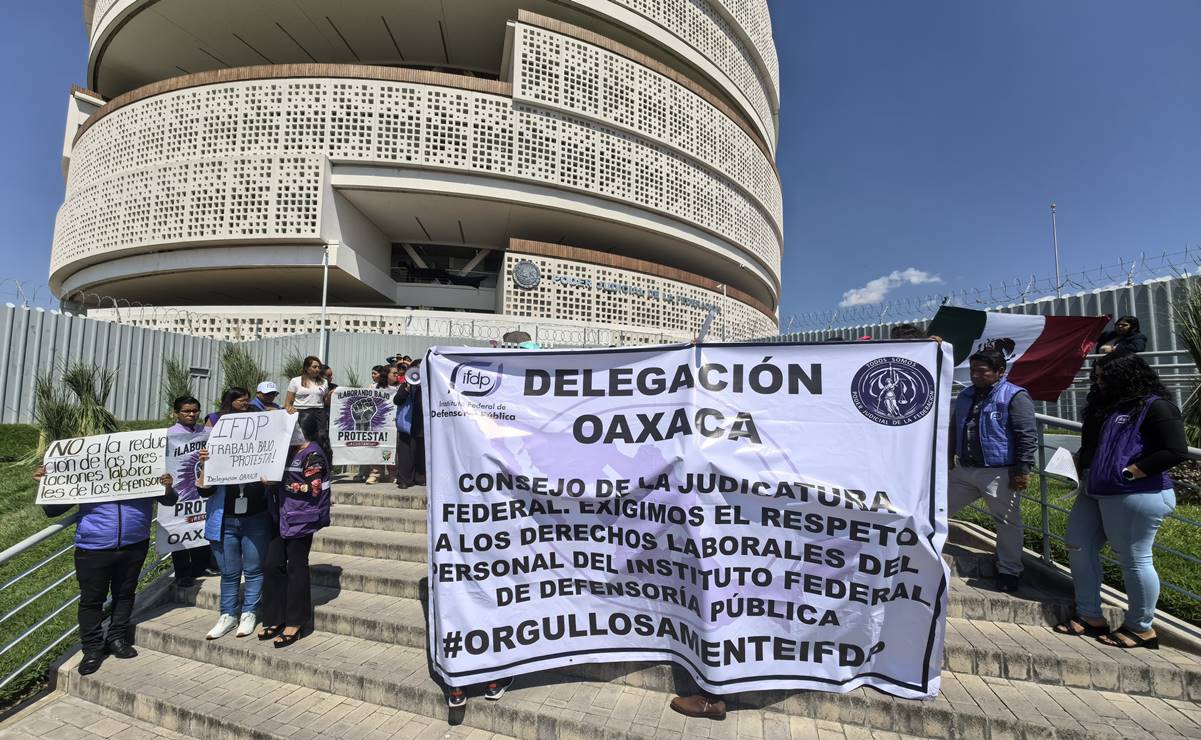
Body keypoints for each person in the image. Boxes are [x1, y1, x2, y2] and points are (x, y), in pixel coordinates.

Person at [1054, 353, 1186, 649]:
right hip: (1096, 488)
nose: (1098, 382)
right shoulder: (1105, 407)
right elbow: (1095, 445)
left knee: (1134, 559)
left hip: (1135, 492)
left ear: (1127, 377)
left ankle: (1141, 628)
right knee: (1078, 543)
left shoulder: (1156, 406)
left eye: (1105, 377)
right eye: (1096, 376)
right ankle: (1090, 615)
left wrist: (1130, 473)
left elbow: (1175, 450)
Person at [32, 464, 178, 676]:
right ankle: (92, 649)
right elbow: (53, 510)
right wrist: (46, 484)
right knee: (92, 600)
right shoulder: (87, 475)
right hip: (93, 547)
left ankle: (117, 639)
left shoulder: (144, 469)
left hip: (134, 543)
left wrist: (167, 487)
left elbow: (170, 500)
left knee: (125, 594)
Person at [947, 349, 1038, 593]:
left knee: (1007, 521)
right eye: (973, 370)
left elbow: (1026, 434)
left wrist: (1022, 469)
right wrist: (948, 459)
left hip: (999, 472)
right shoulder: (965, 395)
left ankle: (1009, 571)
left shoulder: (1014, 396)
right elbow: (955, 428)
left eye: (982, 371)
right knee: (937, 507)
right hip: (964, 470)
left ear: (999, 372)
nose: (975, 376)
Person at [259, 412, 331, 647]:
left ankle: (295, 622)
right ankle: (274, 617)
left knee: (296, 568)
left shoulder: (312, 454)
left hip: (301, 519)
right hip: (279, 517)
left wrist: (280, 483)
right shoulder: (286, 450)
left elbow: (313, 489)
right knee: (272, 565)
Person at [195, 440, 274, 640]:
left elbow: (275, 488)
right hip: (225, 522)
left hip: (256, 520)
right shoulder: (218, 455)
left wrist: (270, 481)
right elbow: (204, 490)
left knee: (254, 570)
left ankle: (249, 613)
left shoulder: (263, 454)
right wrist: (206, 464)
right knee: (229, 573)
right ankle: (227, 615)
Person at [163, 396, 213, 588]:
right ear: (176, 413)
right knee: (179, 532)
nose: (191, 414)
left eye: (195, 411)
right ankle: (182, 573)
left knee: (202, 527)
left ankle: (199, 567)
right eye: (186, 411)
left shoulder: (208, 432)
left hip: (204, 491)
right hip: (177, 494)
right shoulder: (167, 435)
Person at [285, 356, 331, 459]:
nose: (317, 369)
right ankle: (299, 464)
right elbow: (288, 402)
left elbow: (326, 401)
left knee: (322, 439)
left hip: (319, 413)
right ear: (306, 367)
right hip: (302, 413)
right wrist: (290, 409)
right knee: (303, 441)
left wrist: (332, 395)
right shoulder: (295, 381)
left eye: (319, 367)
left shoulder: (324, 382)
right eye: (314, 367)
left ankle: (321, 465)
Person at [393, 359, 425, 489]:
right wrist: (407, 388)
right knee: (406, 452)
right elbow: (397, 400)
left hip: (422, 423)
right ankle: (405, 480)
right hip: (407, 424)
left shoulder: (428, 386)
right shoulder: (406, 385)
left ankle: (420, 478)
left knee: (421, 452)